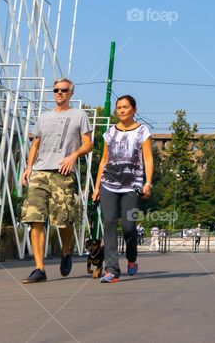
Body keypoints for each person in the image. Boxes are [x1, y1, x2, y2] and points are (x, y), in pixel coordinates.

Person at [20, 78, 93, 284]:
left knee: (63, 220)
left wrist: (73, 156)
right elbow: (36, 145)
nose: (59, 93)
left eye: (63, 90)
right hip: (39, 172)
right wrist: (28, 167)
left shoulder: (79, 115)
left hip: (62, 172)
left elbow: (88, 144)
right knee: (34, 218)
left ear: (71, 93)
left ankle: (66, 250)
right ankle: (39, 269)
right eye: (56, 90)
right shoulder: (43, 118)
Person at [92, 95, 153, 283]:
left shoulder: (143, 131)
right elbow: (104, 160)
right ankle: (111, 270)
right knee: (109, 222)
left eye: (125, 107)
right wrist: (96, 187)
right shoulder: (110, 133)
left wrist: (148, 182)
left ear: (134, 109)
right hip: (108, 184)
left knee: (128, 226)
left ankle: (132, 258)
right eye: (119, 108)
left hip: (132, 185)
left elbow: (148, 158)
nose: (121, 110)